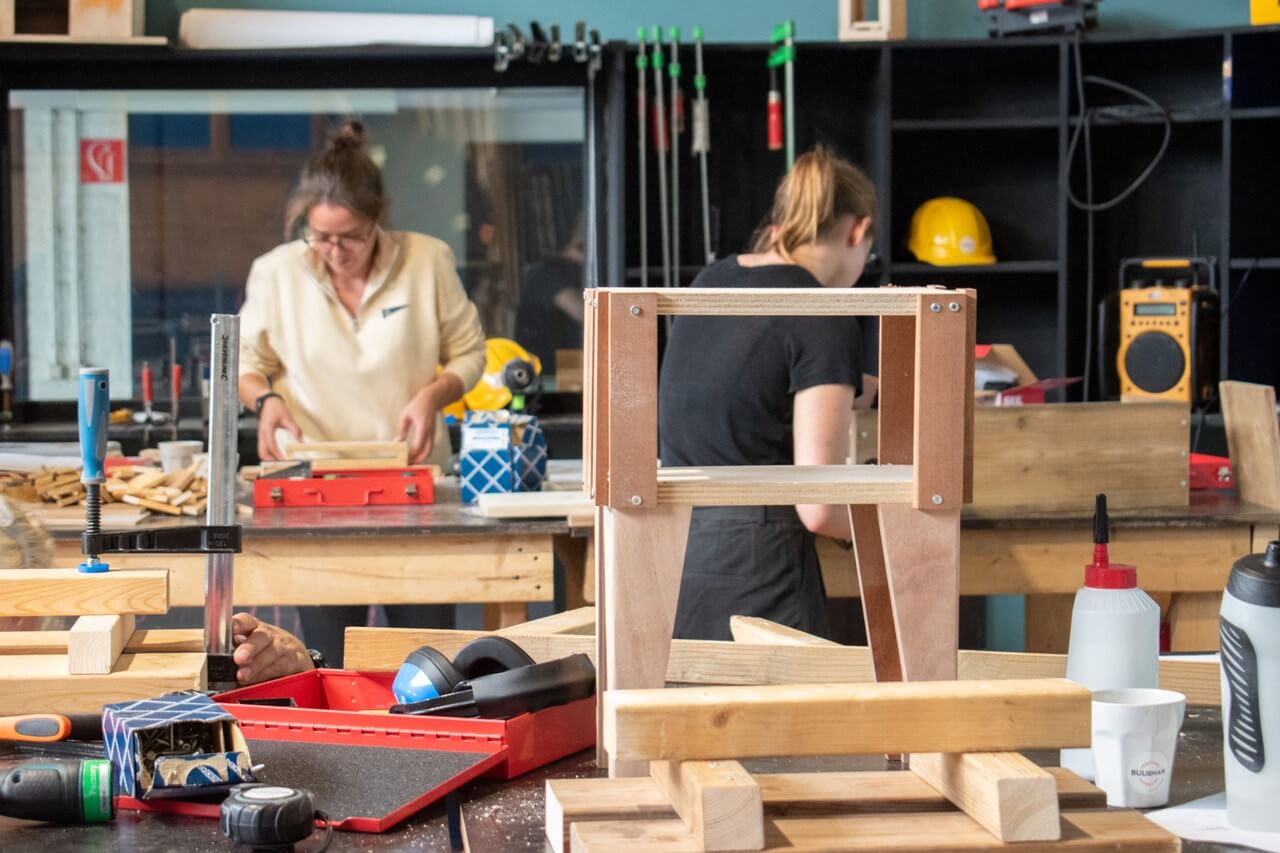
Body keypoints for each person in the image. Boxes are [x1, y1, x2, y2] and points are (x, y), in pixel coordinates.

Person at [237, 120, 487, 666]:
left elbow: (471, 353)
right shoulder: (275, 273)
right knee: (326, 657)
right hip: (315, 495)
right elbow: (246, 364)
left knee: (427, 663)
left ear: (378, 220)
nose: (335, 250)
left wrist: (433, 395)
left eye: (351, 236)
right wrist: (266, 402)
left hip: (414, 489)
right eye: (320, 236)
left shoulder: (428, 261)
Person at [658, 145, 875, 642]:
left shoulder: (713, 280)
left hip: (680, 552)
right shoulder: (821, 313)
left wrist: (868, 389)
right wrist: (900, 521)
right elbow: (819, 509)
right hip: (759, 564)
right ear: (857, 231)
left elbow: (755, 387)